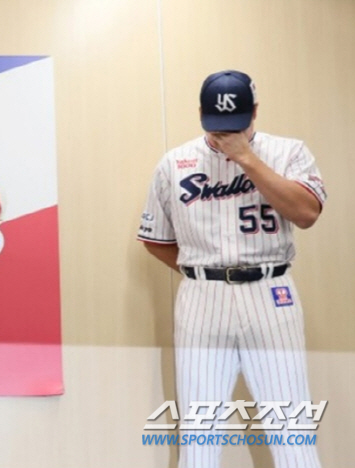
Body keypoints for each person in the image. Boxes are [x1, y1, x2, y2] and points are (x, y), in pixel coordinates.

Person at [137, 70, 325, 468]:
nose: (226, 133)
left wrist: (246, 158)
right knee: (200, 436)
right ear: (200, 114)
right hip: (202, 300)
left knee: (291, 430)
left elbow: (306, 213)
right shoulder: (175, 163)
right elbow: (155, 239)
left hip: (271, 293)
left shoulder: (289, 152)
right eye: (218, 125)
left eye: (237, 123)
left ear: (255, 111)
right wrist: (202, 273)